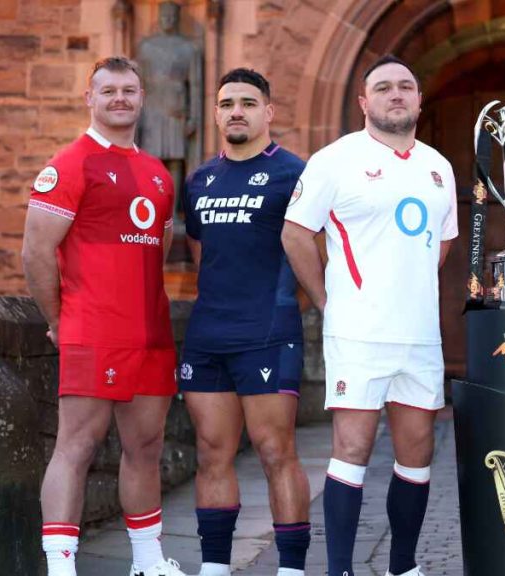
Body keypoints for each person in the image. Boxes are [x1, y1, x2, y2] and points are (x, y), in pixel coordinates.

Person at [281, 54, 458, 576]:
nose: (396, 94)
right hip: (358, 331)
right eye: (384, 88)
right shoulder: (334, 160)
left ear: (419, 100)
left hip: (419, 335)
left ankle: (402, 566)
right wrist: (328, 299)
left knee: (417, 451)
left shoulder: (438, 166)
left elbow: (441, 244)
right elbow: (296, 233)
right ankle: (340, 569)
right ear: (364, 102)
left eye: (406, 86)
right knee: (353, 447)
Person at [21, 56, 187, 576]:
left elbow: (153, 256)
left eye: (129, 90)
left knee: (145, 446)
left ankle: (147, 562)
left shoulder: (159, 175)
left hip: (151, 334)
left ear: (142, 98)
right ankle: (61, 568)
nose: (120, 98)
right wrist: (59, 318)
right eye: (109, 90)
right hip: (93, 329)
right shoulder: (72, 162)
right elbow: (35, 251)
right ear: (89, 99)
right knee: (77, 445)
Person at [178, 68, 310, 576]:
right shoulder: (200, 180)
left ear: (268, 112)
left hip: (268, 333)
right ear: (215, 112)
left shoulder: (294, 174)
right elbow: (200, 252)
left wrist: (279, 309)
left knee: (277, 450)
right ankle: (213, 567)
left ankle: (292, 569)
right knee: (212, 452)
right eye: (228, 102)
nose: (237, 110)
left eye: (248, 102)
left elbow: (313, 256)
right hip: (208, 334)